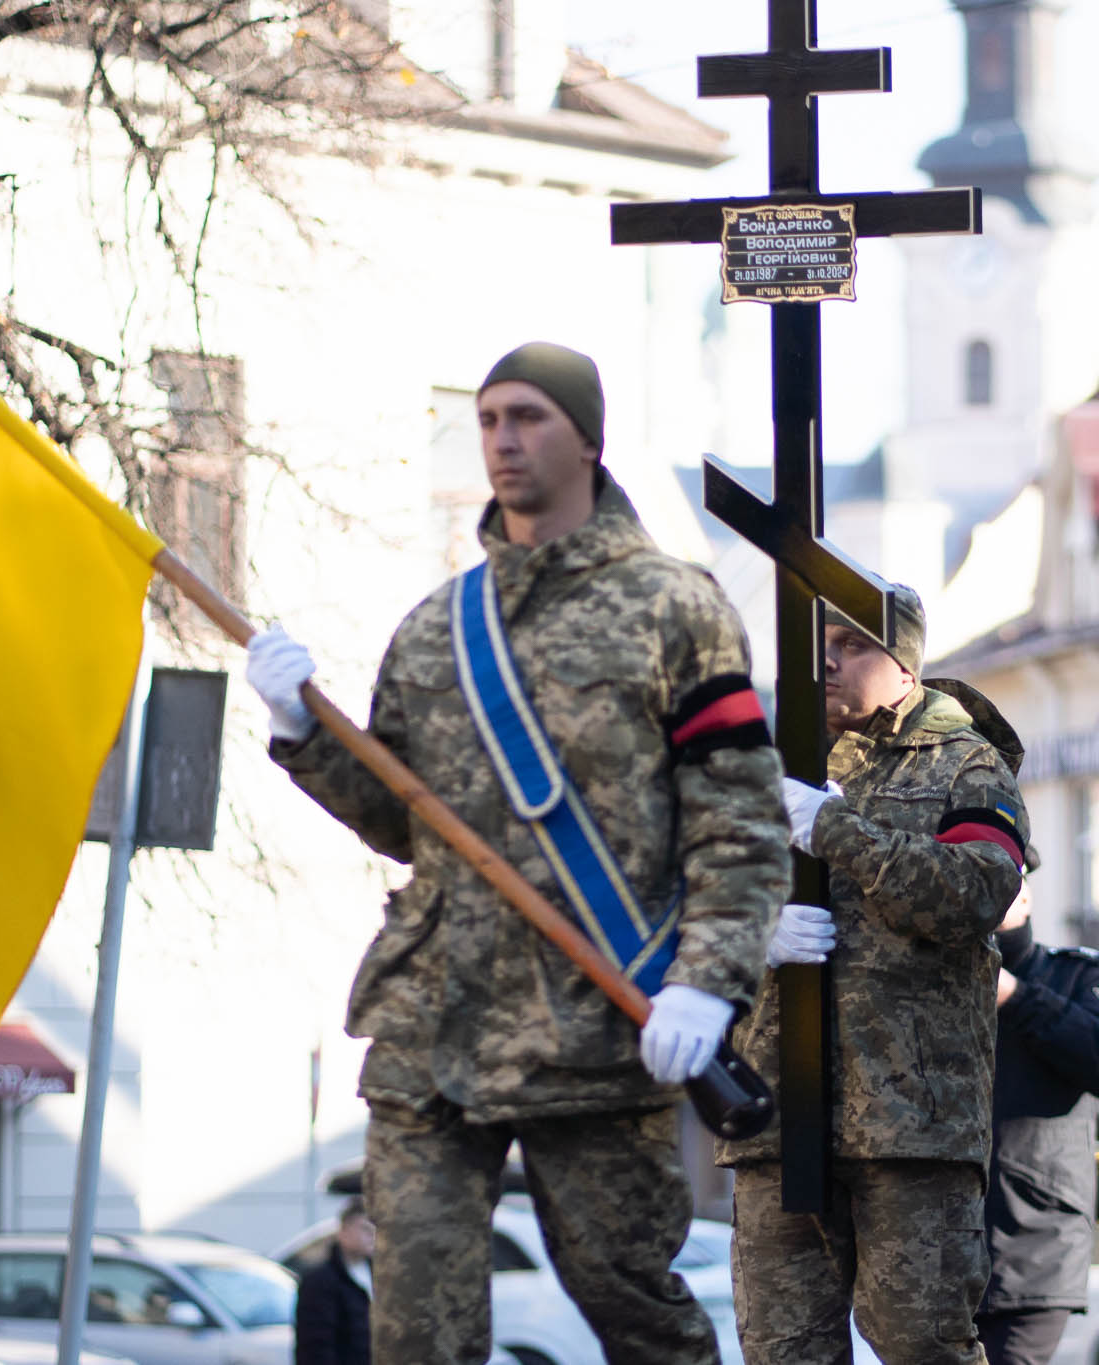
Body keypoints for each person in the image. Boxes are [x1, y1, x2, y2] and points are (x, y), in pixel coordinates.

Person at [244, 341, 791, 1365]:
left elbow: (739, 819)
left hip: (593, 1020)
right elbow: (401, 819)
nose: (501, 438)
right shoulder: (438, 627)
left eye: (527, 416)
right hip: (431, 1026)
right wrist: (300, 733)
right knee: (416, 1330)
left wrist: (707, 982)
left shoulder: (675, 608)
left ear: (586, 437)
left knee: (628, 1304)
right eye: (489, 417)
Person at [720, 587, 1029, 1365]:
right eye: (818, 640)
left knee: (923, 1345)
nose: (827, 658)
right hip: (776, 1116)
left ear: (904, 662)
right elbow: (684, 895)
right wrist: (748, 926)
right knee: (781, 1350)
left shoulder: (967, 762)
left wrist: (835, 832)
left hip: (908, 1120)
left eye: (852, 642)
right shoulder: (763, 764)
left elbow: (977, 891)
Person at [974, 860, 1099, 1365]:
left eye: (1004, 879)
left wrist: (1016, 997)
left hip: (1036, 1247)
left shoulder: (1075, 972)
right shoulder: (939, 983)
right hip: (942, 1241)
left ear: (1025, 896)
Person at [295, 1199, 373, 1365]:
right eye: (365, 1228)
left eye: (376, 1229)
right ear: (343, 1231)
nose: (372, 1235)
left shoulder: (379, 1275)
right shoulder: (320, 1282)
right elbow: (315, 1347)